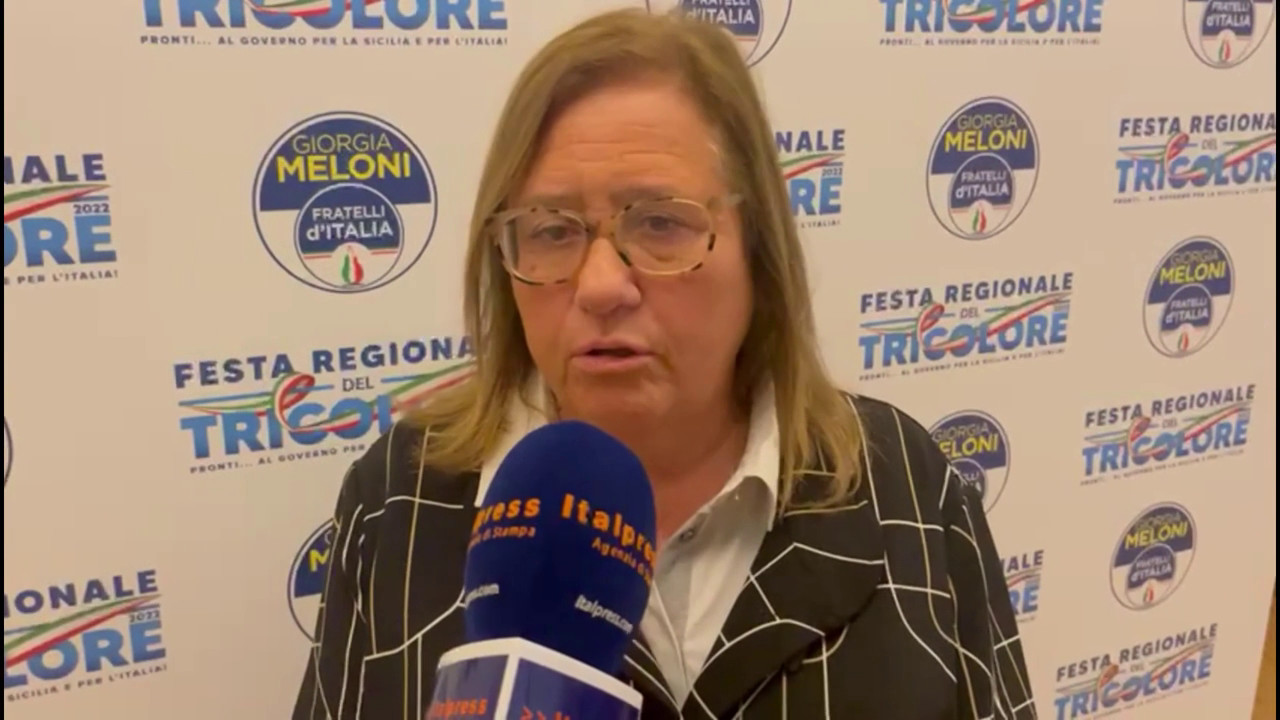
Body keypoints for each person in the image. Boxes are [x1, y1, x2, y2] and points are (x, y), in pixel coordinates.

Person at [293, 8, 1035, 720]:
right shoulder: (400, 501)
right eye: (550, 230)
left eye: (660, 223)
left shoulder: (905, 482)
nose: (600, 286)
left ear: (759, 248)